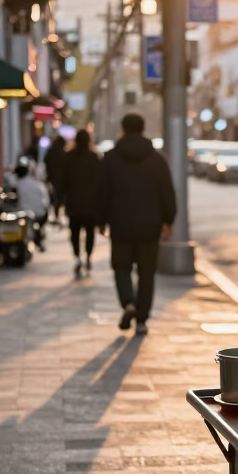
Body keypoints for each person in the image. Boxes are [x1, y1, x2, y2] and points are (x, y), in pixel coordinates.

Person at [96, 112, 176, 336]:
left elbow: (102, 193)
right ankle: (141, 319)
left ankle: (128, 302)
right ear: (143, 129)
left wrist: (101, 221)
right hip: (150, 226)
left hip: (120, 225)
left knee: (121, 267)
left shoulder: (110, 158)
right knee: (146, 272)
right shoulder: (157, 159)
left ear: (122, 129)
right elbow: (167, 193)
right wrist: (168, 220)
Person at [61, 128, 102, 277]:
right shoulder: (94, 158)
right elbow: (100, 182)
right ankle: (89, 257)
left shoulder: (69, 157)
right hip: (91, 204)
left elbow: (63, 182)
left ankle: (78, 257)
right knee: (90, 232)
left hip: (74, 202)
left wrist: (60, 201)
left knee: (75, 232)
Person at [11, 158, 50, 251]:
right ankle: (38, 239)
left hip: (25, 214)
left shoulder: (16, 185)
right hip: (41, 213)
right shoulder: (38, 183)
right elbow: (46, 201)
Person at [44, 135, 67, 226]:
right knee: (59, 197)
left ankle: (55, 214)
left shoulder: (50, 152)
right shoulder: (63, 153)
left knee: (54, 197)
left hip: (52, 178)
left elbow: (46, 161)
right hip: (61, 179)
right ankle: (58, 214)